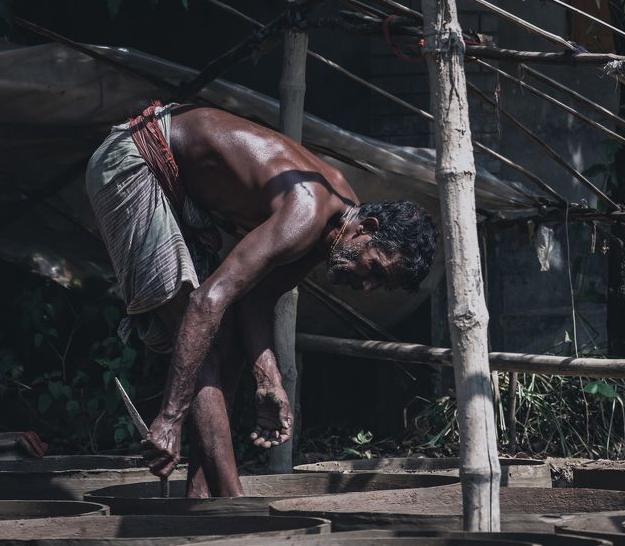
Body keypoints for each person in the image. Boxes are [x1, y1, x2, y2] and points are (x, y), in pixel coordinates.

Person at [86, 102, 437, 498]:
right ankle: (235, 504)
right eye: (374, 269)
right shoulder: (307, 213)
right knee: (203, 339)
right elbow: (205, 302)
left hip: (174, 186)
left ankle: (200, 499)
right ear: (366, 229)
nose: (368, 287)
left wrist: (269, 382)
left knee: (223, 342)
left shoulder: (334, 226)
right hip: (136, 159)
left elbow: (256, 300)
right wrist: (170, 419)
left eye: (380, 284)